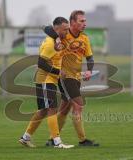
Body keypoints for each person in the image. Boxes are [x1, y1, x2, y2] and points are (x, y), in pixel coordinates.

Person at [44, 10, 99, 146]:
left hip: (76, 77)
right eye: (81, 21)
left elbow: (90, 58)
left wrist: (89, 71)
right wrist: (56, 38)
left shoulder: (84, 38)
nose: (84, 23)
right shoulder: (63, 34)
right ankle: (82, 140)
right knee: (79, 105)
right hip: (65, 76)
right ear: (72, 23)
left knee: (65, 108)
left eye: (85, 21)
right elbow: (46, 28)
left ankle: (52, 138)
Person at [19, 17, 74, 149]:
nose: (67, 31)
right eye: (65, 29)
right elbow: (41, 63)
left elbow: (47, 27)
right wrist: (57, 72)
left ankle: (25, 138)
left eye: (68, 29)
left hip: (50, 79)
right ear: (57, 29)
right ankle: (57, 142)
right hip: (45, 79)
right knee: (52, 109)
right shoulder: (50, 43)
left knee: (43, 111)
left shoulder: (56, 38)